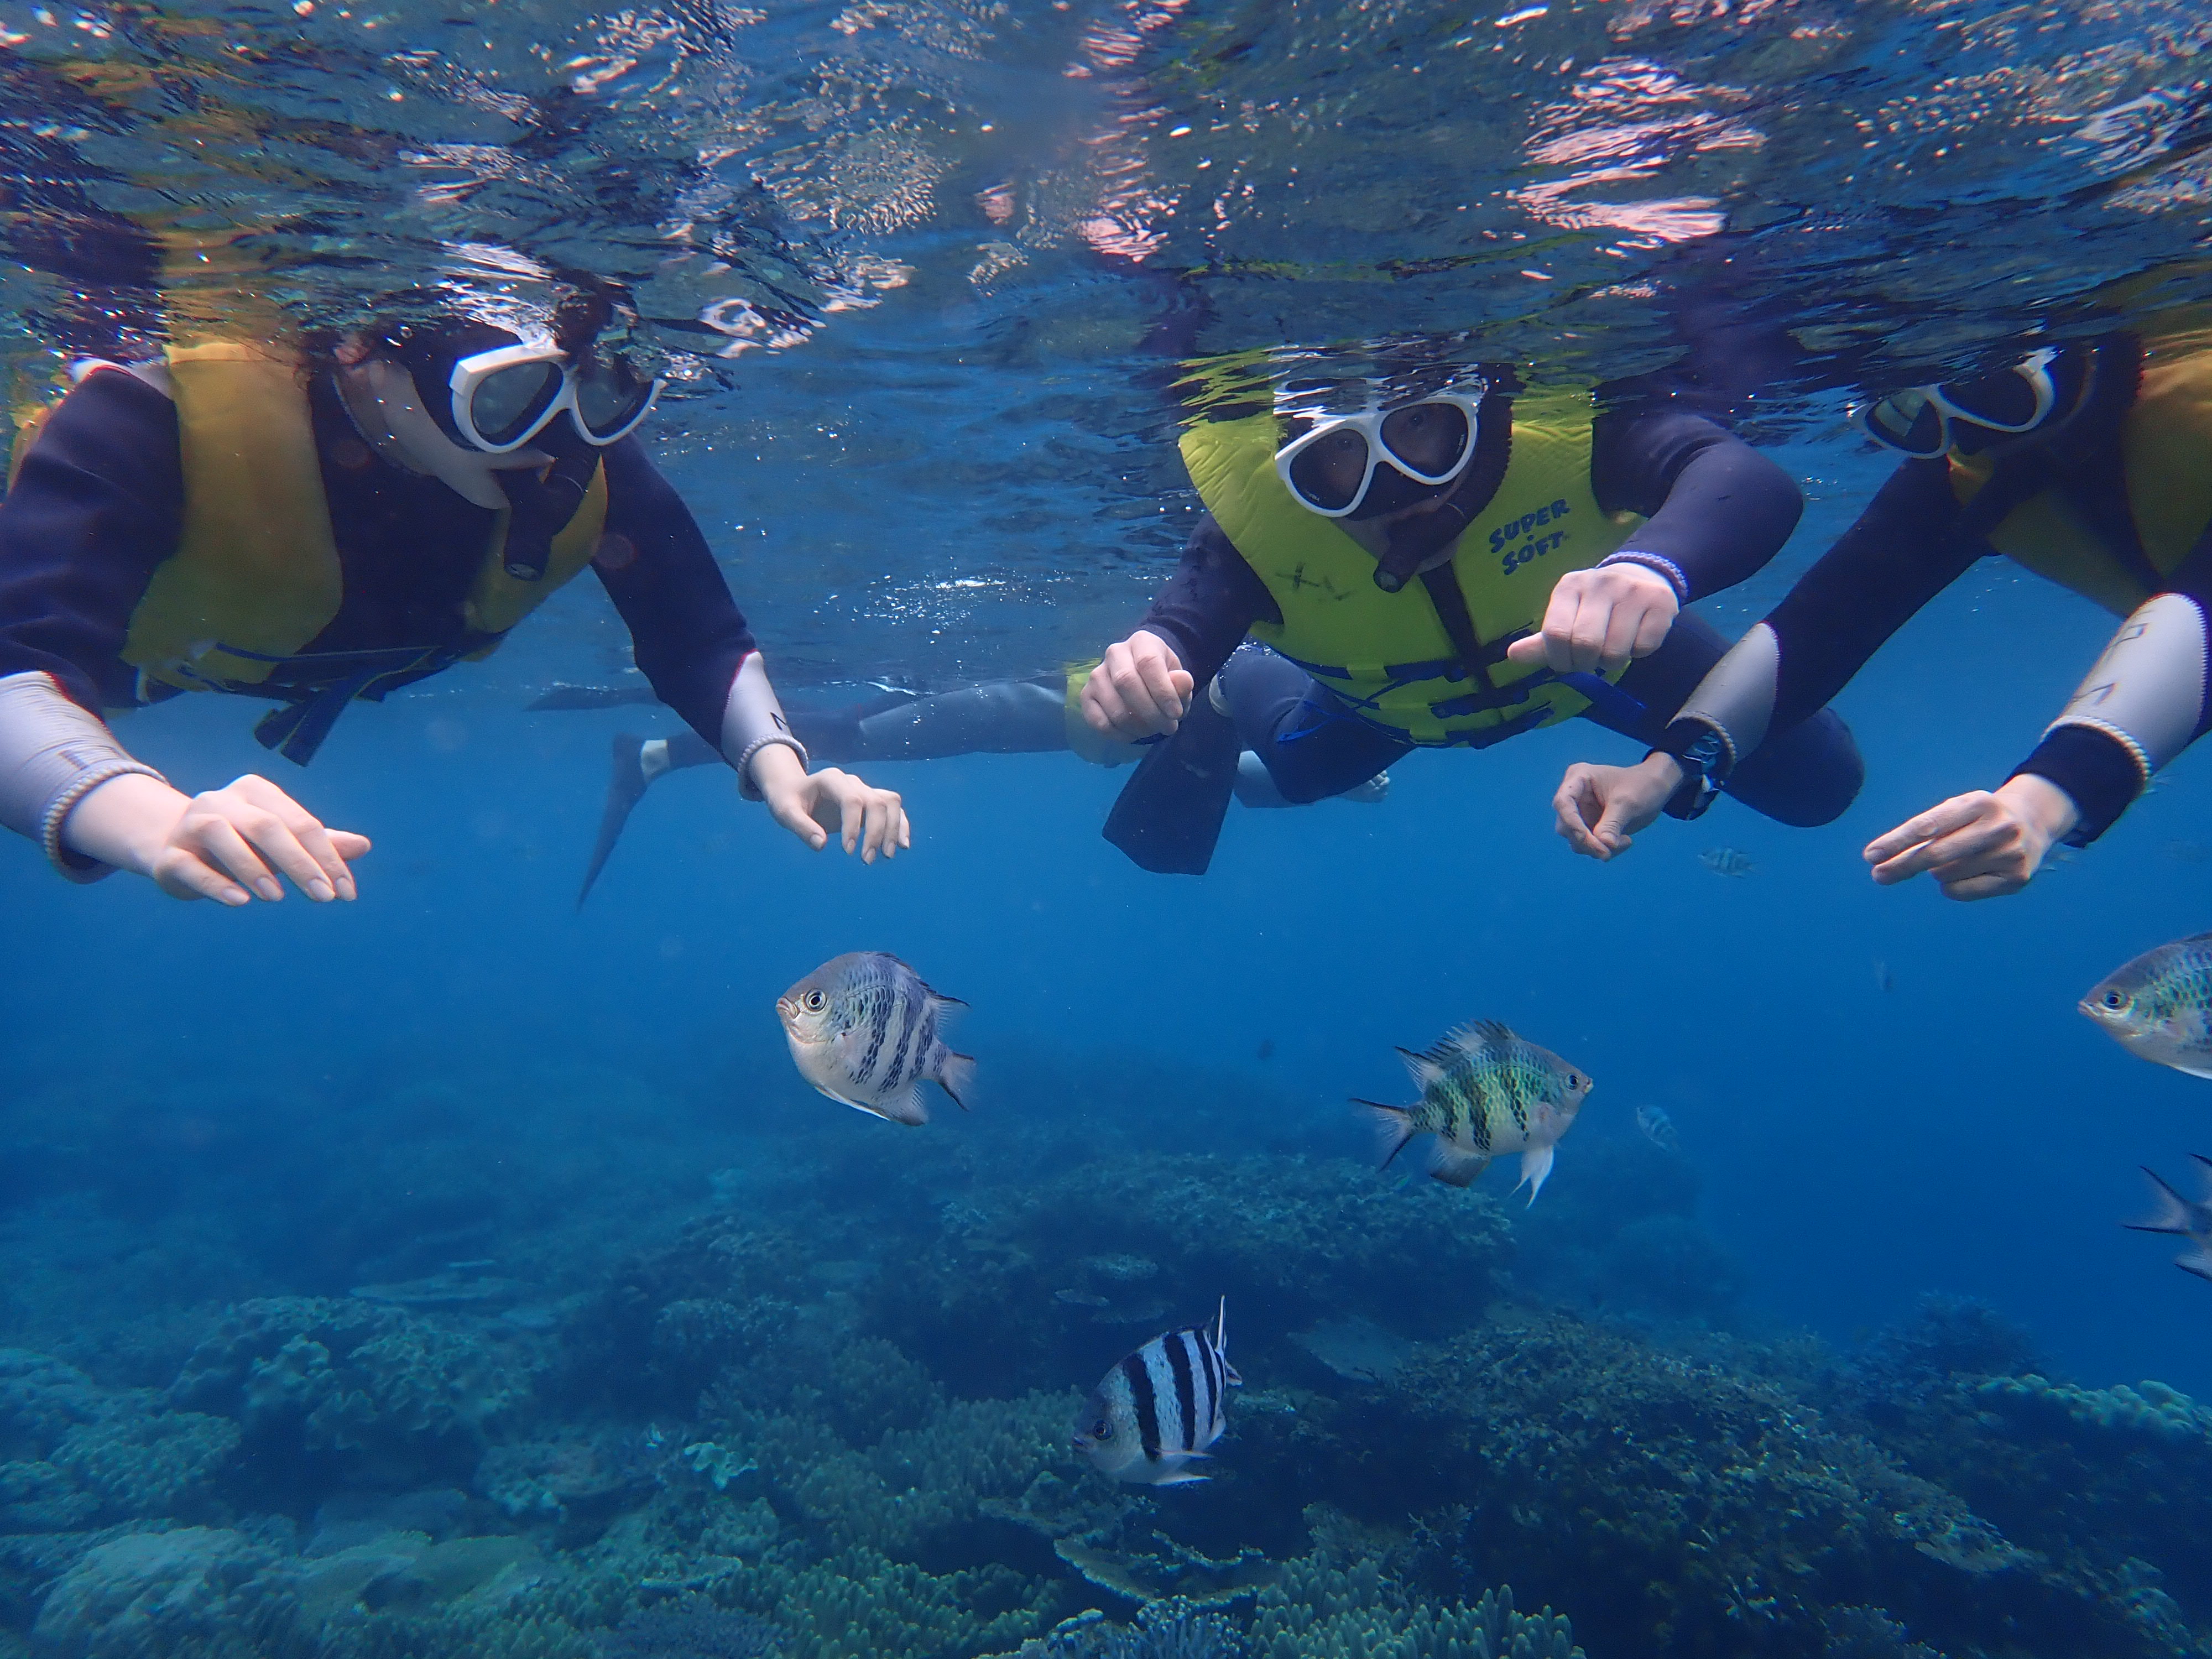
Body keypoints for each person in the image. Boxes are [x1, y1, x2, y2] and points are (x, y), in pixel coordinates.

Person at [0, 282, 909, 904]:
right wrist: (155, 822)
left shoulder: (580, 455)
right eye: (509, 400)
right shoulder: (151, 427)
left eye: (602, 393)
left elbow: (698, 638)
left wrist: (781, 766)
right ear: (364, 358)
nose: (559, 445)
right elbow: (14, 668)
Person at [1077, 352, 1864, 869]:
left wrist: (1651, 568)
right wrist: (1148, 662)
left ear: (1479, 415)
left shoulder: (1571, 437)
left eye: (1420, 427)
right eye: (1338, 458)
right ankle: (1235, 686)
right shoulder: (1254, 529)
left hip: (1601, 653)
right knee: (1303, 766)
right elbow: (1178, 626)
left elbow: (1742, 479)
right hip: (1384, 701)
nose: (1393, 494)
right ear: (1295, 466)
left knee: (1821, 781)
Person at [1549, 320, 2212, 899]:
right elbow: (1823, 622)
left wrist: (2044, 798)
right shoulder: (1975, 470)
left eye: (1987, 390)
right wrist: (1663, 770)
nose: (1965, 430)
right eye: (1912, 417)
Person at [534, 655, 1389, 903]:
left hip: (1042, 728)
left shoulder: (1262, 708)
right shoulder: (1264, 671)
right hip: (1027, 705)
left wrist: (1336, 779)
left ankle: (653, 748)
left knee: (854, 735)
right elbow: (1251, 754)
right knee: (854, 736)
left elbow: (1241, 776)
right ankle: (659, 710)